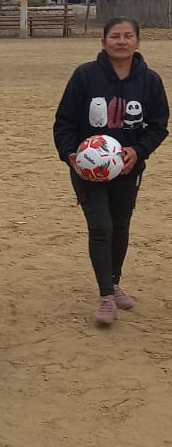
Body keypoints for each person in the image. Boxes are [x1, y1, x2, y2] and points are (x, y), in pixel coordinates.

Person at [53, 16, 169, 324]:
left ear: (138, 42)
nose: (121, 41)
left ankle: (115, 282)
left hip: (127, 169)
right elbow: (64, 122)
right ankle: (106, 296)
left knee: (120, 226)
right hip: (87, 170)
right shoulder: (85, 76)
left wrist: (138, 151)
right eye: (115, 36)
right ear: (103, 41)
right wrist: (70, 154)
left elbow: (159, 126)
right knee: (101, 227)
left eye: (128, 36)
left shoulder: (150, 81)